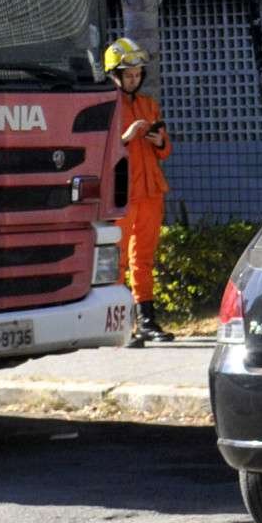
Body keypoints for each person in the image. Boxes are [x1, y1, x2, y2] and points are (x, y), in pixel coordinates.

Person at [105, 37, 171, 346]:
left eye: (137, 74)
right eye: (128, 75)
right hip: (122, 193)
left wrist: (159, 142)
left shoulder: (148, 104)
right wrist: (127, 136)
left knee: (143, 258)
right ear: (115, 75)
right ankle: (120, 325)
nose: (134, 79)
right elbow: (103, 150)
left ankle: (147, 321)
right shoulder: (106, 106)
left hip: (150, 191)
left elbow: (165, 150)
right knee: (118, 258)